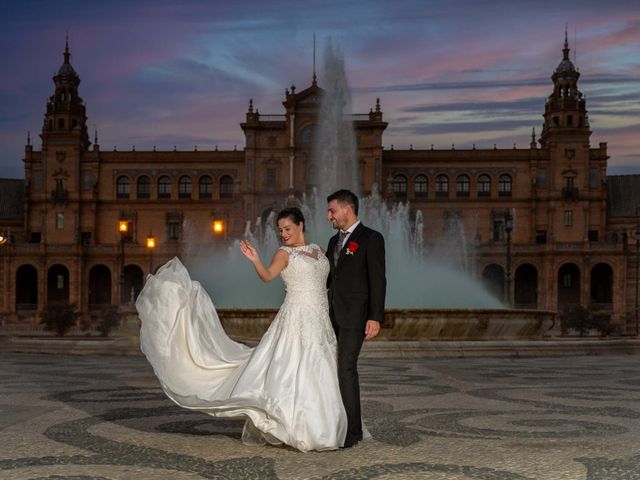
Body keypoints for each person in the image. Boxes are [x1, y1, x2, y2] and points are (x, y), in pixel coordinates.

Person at [136, 207, 347, 452]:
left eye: (287, 229)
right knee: (294, 369)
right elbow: (268, 276)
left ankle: (328, 426)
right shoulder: (283, 253)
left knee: (321, 368)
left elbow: (333, 280)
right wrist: (255, 260)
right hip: (296, 317)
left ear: (301, 226)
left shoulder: (320, 251)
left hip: (320, 318)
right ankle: (299, 428)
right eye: (280, 231)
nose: (283, 234)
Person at [326, 189, 386, 448]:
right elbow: (329, 278)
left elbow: (378, 280)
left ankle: (353, 432)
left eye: (332, 211)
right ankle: (336, 424)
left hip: (355, 316)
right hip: (331, 315)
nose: (329, 216)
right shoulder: (332, 242)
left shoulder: (371, 238)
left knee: (346, 369)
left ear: (347, 209)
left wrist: (375, 317)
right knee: (332, 370)